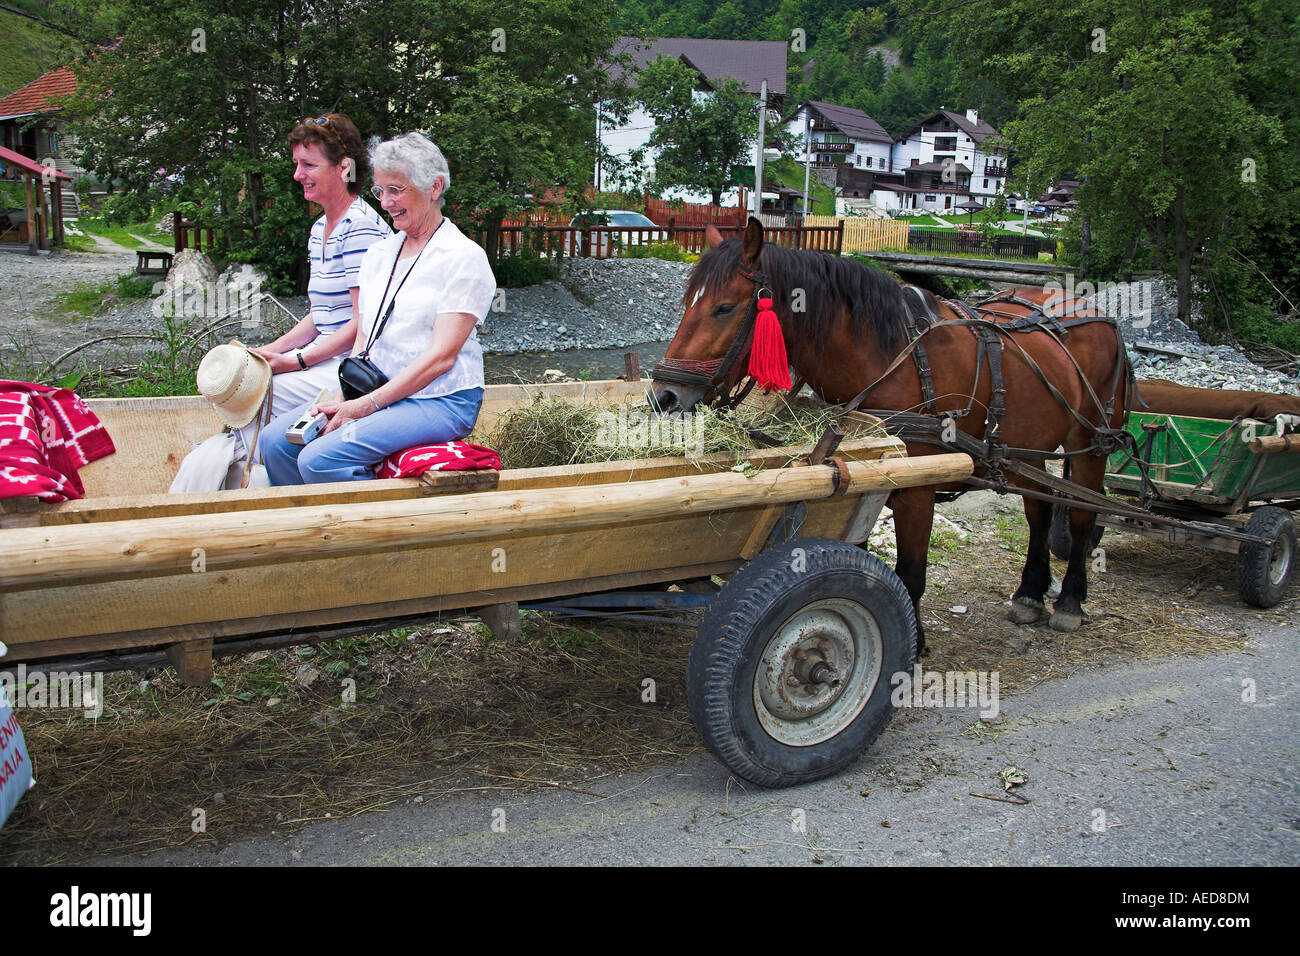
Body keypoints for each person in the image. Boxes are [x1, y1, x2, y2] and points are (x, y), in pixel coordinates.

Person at [262, 132, 496, 484]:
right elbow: (364, 338)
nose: (385, 202)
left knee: (319, 459)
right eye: (380, 190)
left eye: (397, 189)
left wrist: (365, 407)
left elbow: (441, 358)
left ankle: (369, 534)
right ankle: (308, 529)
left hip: (441, 399)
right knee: (275, 442)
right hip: (376, 387)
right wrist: (344, 395)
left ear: (435, 187)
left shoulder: (464, 258)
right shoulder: (380, 253)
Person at [236, 112, 391, 459]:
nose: (297, 175)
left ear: (343, 167)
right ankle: (254, 473)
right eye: (296, 164)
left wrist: (295, 362)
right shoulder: (320, 228)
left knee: (260, 391)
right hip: (326, 358)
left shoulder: (360, 229)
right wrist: (270, 351)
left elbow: (361, 323)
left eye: (308, 164)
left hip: (356, 367)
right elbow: (320, 315)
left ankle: (258, 478)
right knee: (247, 379)